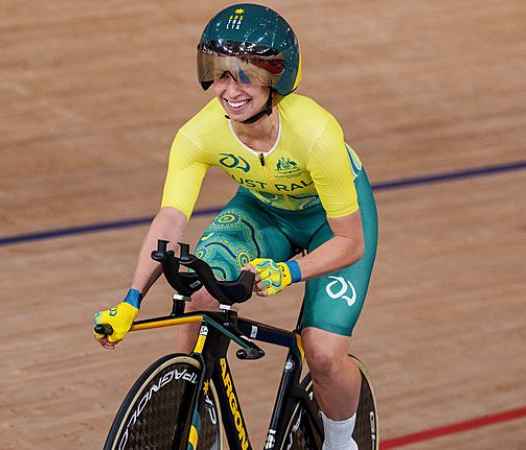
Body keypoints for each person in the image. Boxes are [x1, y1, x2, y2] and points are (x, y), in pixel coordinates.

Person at [94, 4, 377, 450]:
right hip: (264, 212)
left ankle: (341, 442)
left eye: (245, 75)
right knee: (198, 288)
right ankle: (194, 406)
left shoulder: (317, 133)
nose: (230, 90)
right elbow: (169, 220)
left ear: (276, 78)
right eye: (221, 74)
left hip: (332, 225)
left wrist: (290, 272)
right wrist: (131, 299)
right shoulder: (197, 134)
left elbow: (350, 242)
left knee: (322, 355)